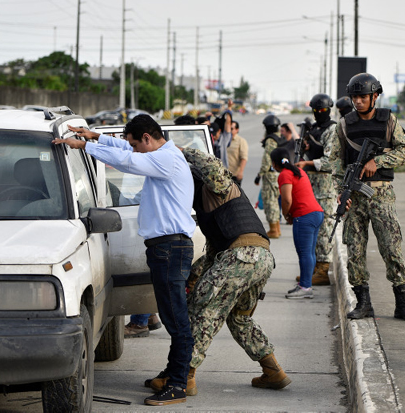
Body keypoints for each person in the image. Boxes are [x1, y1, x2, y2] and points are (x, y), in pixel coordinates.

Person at [52, 115, 195, 406]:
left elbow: (127, 161)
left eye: (135, 143)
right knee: (171, 316)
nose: (133, 148)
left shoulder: (166, 160)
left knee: (177, 320)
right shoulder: (159, 154)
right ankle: (172, 373)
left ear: (146, 138)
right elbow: (129, 153)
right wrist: (95, 137)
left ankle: (179, 383)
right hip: (166, 248)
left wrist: (84, 147)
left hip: (171, 248)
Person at [146, 147, 291, 394]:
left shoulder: (217, 186)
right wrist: (193, 277)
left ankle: (184, 376)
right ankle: (273, 371)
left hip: (242, 257)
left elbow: (211, 164)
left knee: (203, 311)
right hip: (259, 259)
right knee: (238, 318)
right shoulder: (209, 208)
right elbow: (214, 255)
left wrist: (179, 150)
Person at [330, 73, 405, 322]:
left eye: (363, 97)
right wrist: (341, 192)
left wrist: (377, 161)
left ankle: (402, 302)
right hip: (355, 195)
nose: (358, 102)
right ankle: (363, 303)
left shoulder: (388, 120)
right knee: (355, 251)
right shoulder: (344, 124)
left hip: (381, 194)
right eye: (354, 97)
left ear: (375, 96)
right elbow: (335, 162)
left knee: (391, 248)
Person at [295, 93, 337, 286]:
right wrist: (305, 146)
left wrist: (308, 162)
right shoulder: (315, 129)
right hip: (311, 185)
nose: (319, 113)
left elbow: (330, 161)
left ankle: (322, 269)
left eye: (322, 110)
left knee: (325, 229)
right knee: (311, 230)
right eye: (316, 110)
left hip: (325, 186)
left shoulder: (332, 130)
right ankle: (311, 268)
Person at [270, 147, 324, 299]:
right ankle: (305, 285)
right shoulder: (297, 171)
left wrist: (286, 214)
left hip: (304, 216)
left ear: (274, 163)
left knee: (304, 253)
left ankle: (305, 288)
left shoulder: (284, 175)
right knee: (310, 252)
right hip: (316, 213)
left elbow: (287, 199)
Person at [254, 115, 284, 238]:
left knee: (270, 202)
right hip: (278, 174)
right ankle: (277, 228)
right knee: (275, 202)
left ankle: (273, 230)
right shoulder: (279, 138)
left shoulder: (270, 140)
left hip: (270, 175)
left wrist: (259, 175)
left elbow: (267, 160)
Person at [227, 120, 249, 185]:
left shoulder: (241, 141)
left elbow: (244, 157)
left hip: (234, 175)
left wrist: (241, 172)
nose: (230, 131)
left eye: (232, 129)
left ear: (237, 130)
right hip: (224, 175)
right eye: (229, 128)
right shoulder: (224, 140)